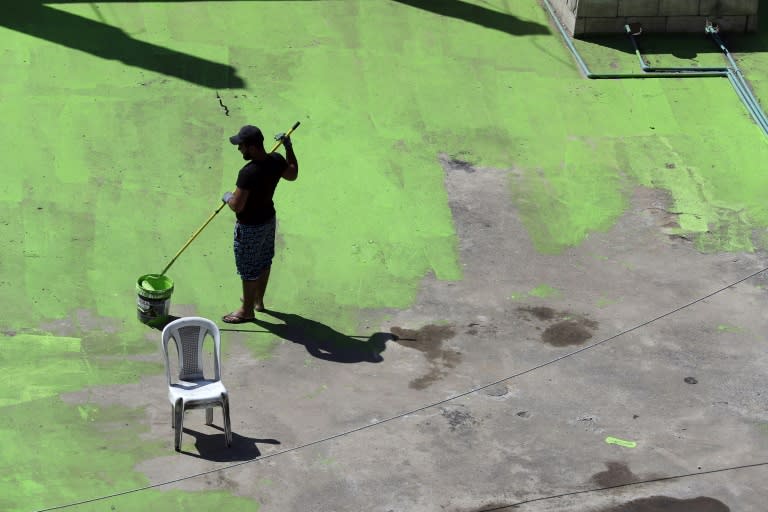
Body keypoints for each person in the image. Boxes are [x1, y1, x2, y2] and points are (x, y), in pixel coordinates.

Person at [220, 124, 298, 323]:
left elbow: (237, 206)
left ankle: (247, 310)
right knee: (264, 261)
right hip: (268, 221)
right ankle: (257, 300)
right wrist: (288, 147)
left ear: (252, 147)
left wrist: (228, 197)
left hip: (250, 227)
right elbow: (292, 174)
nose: (239, 149)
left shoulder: (248, 172)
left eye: (242, 146)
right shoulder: (276, 160)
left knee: (248, 269)